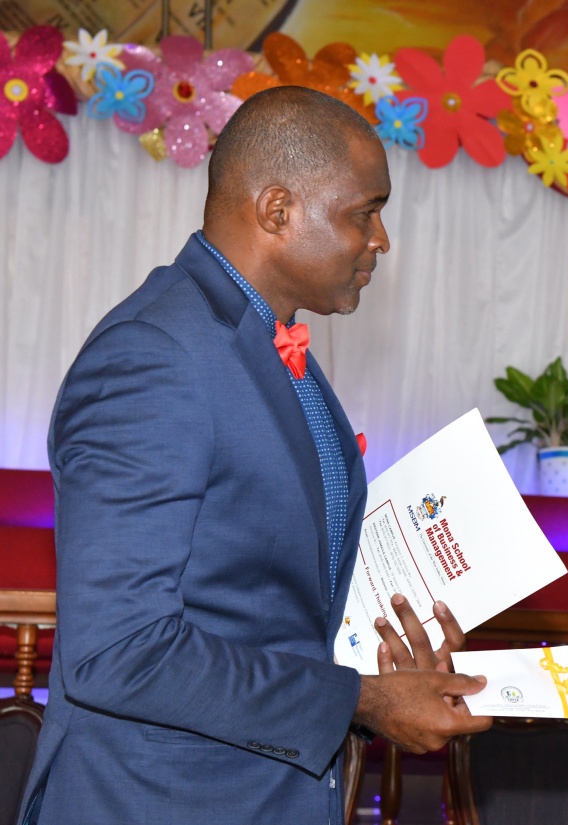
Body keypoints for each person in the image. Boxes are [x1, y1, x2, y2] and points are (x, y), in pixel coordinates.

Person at [18, 86, 491, 825]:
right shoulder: (154, 355)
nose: (381, 240)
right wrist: (358, 698)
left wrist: (384, 661)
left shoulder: (265, 345)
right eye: (364, 212)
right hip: (157, 801)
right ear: (277, 211)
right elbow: (118, 649)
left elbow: (262, 605)